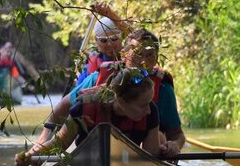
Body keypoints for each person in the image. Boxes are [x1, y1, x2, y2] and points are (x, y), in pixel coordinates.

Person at [33, 28, 185, 159]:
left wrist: (175, 145)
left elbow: (177, 134)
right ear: (124, 55)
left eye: (150, 55)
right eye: (138, 54)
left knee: (160, 136)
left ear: (157, 57)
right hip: (94, 154)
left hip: (138, 156)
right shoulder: (97, 80)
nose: (143, 62)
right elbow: (61, 110)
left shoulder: (163, 89)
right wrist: (42, 141)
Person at [15, 67, 159, 166]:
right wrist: (30, 156)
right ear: (120, 101)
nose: (148, 110)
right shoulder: (84, 109)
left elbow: (151, 159)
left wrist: (168, 149)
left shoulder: (151, 111)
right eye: (142, 105)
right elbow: (59, 143)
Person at [75, 1, 131, 85]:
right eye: (103, 40)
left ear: (121, 37)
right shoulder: (88, 69)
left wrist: (110, 13)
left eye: (114, 38)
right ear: (96, 40)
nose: (110, 44)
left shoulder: (133, 59)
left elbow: (141, 38)